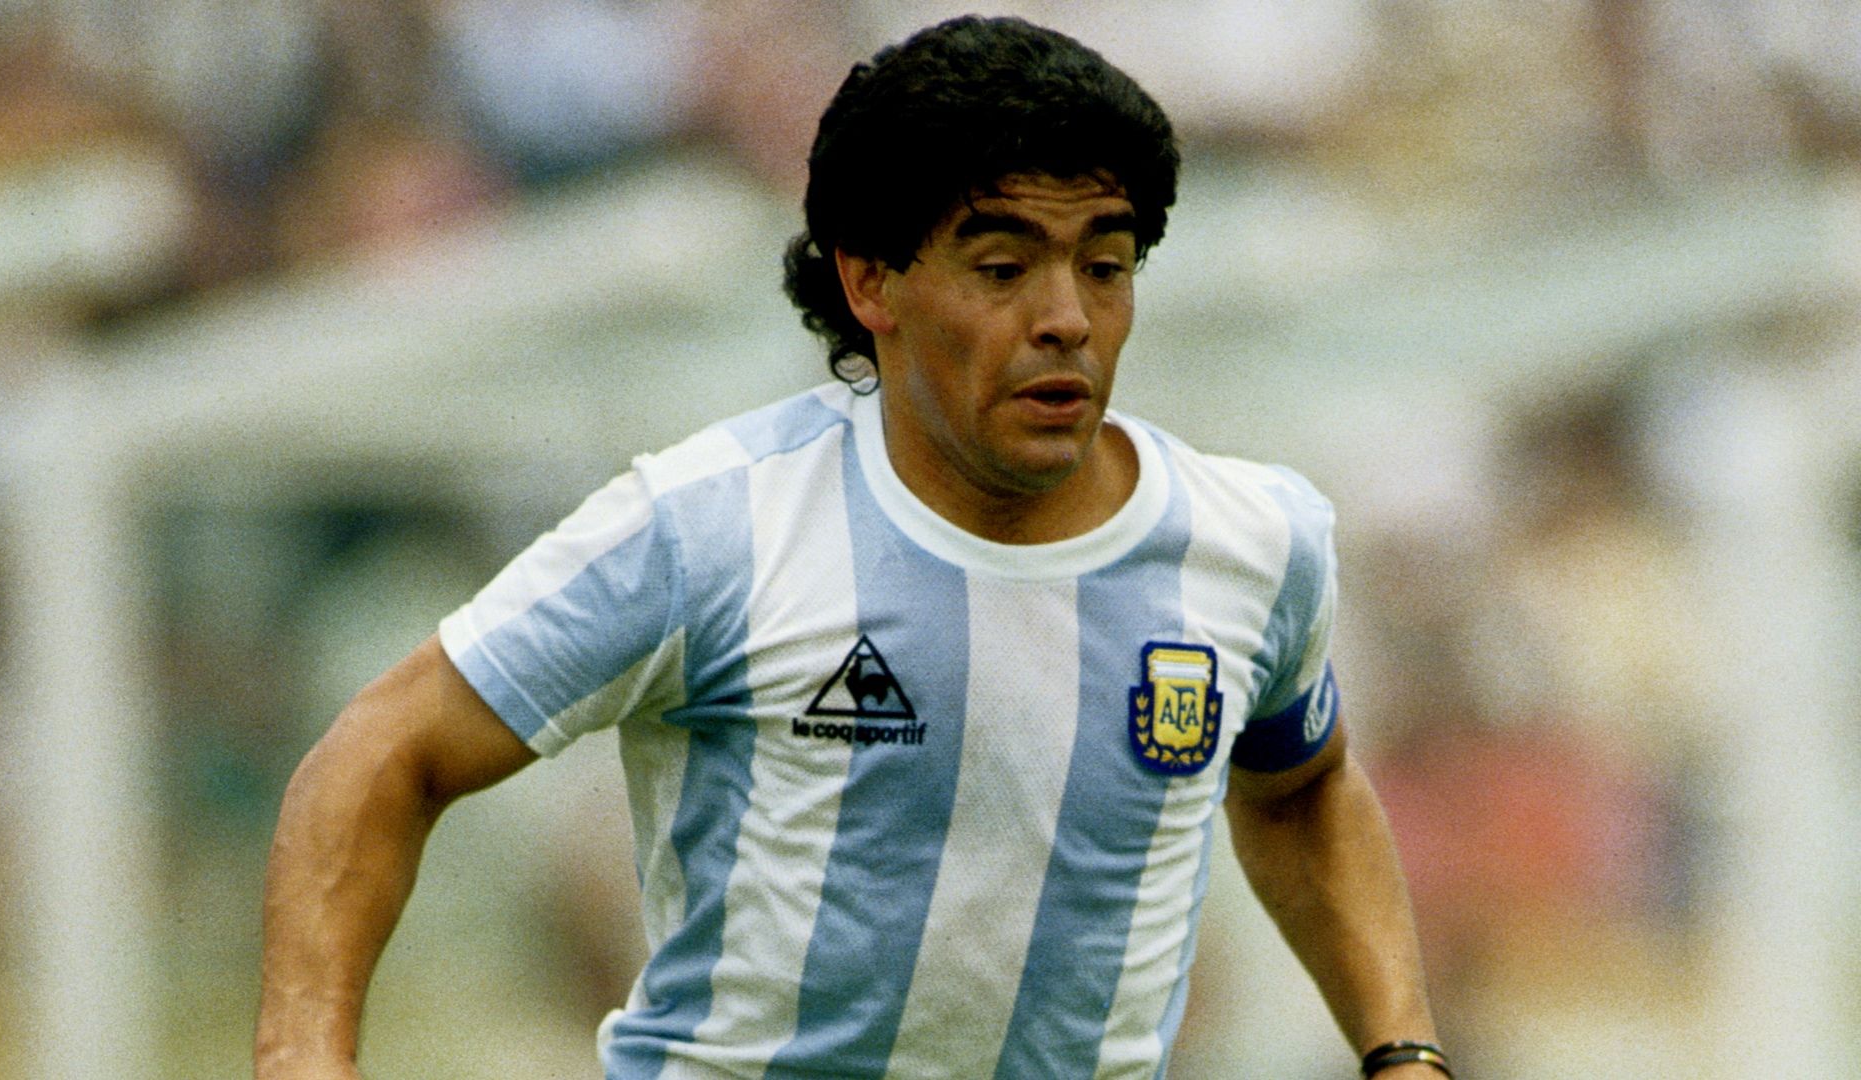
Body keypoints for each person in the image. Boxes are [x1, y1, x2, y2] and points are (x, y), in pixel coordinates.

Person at [255, 16, 1448, 1080]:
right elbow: (384, 749)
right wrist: (304, 1053)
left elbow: (1301, 790)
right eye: (1002, 268)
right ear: (872, 278)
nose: (1067, 319)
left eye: (1105, 264)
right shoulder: (711, 526)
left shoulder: (1252, 543)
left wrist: (1401, 1051)